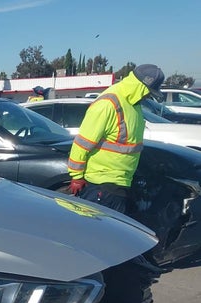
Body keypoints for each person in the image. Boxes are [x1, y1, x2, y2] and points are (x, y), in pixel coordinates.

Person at [67, 64, 165, 213]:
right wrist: (76, 176)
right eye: (148, 92)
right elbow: (82, 143)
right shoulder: (108, 103)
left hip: (121, 184)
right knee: (100, 234)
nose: (148, 97)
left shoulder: (134, 106)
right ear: (140, 86)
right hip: (101, 185)